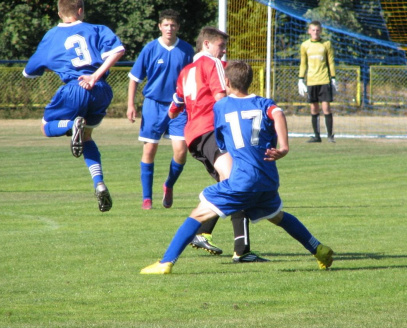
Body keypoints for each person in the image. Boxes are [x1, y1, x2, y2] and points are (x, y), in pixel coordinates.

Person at [141, 61, 334, 274]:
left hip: (243, 180)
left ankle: (166, 263)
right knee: (278, 216)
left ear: (227, 82)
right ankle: (319, 249)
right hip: (267, 180)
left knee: (197, 214)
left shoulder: (221, 107)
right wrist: (284, 147)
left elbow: (221, 141)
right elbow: (278, 113)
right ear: (250, 81)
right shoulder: (264, 103)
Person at [168, 27, 265, 262]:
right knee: (235, 181)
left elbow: (174, 108)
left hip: (194, 137)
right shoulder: (212, 65)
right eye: (221, 46)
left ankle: (221, 240)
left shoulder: (186, 71)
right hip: (212, 131)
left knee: (231, 184)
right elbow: (222, 99)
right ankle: (232, 247)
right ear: (207, 45)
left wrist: (180, 112)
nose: (224, 51)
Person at [23, 0, 124, 212]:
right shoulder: (97, 29)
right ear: (80, 11)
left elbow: (29, 71)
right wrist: (95, 75)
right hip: (101, 89)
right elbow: (118, 51)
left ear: (60, 14)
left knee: (45, 126)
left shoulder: (51, 36)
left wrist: (59, 65)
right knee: (86, 136)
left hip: (75, 87)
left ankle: (70, 126)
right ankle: (99, 183)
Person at [126, 9, 193, 210]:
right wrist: (130, 104)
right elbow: (134, 78)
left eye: (173, 25)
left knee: (181, 151)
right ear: (160, 27)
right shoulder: (150, 49)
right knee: (149, 149)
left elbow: (193, 80)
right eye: (166, 25)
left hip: (179, 106)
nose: (169, 28)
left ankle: (169, 185)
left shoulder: (187, 50)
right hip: (153, 104)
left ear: (178, 27)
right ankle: (147, 198)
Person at [298, 21, 337, 143]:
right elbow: (303, 63)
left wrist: (333, 78)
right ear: (309, 31)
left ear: (321, 31)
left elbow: (330, 62)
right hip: (311, 81)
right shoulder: (305, 45)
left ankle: (330, 136)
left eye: (317, 30)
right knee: (314, 109)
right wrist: (300, 79)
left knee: (326, 108)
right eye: (313, 30)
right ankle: (316, 136)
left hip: (324, 79)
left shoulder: (326, 44)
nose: (315, 32)